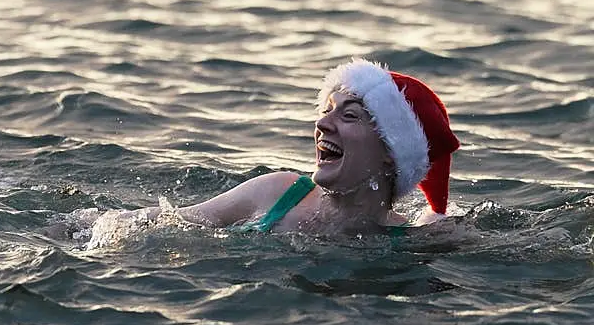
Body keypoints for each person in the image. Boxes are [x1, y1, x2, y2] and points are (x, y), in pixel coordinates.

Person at [177, 58, 460, 234]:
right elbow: (173, 222)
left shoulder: (415, 242)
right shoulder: (278, 194)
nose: (323, 124)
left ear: (391, 152)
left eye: (348, 115)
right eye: (326, 110)